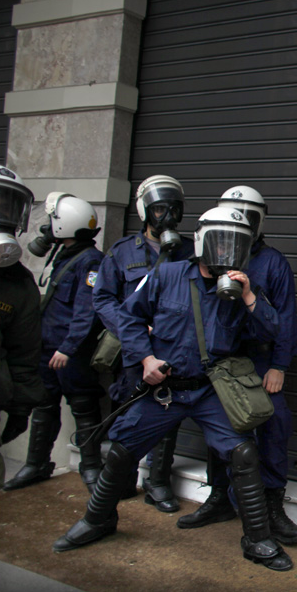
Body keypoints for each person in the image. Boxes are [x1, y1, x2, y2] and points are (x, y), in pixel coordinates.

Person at [53, 207, 293, 571]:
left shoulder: (243, 288)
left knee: (243, 453)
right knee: (121, 450)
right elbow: (129, 318)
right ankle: (97, 519)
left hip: (209, 389)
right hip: (166, 391)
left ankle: (257, 538)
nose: (226, 251)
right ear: (202, 241)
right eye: (220, 241)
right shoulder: (165, 275)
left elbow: (269, 332)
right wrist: (146, 359)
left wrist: (248, 298)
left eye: (236, 244)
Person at [176, 185, 297, 545]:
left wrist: (279, 364)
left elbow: (287, 319)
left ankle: (271, 505)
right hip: (221, 358)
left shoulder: (272, 262)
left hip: (260, 358)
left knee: (274, 423)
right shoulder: (204, 256)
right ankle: (219, 497)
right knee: (220, 428)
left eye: (249, 215)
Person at [92, 175, 194, 512]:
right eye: (160, 209)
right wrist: (132, 328)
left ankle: (158, 481)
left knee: (165, 414)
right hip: (134, 352)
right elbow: (103, 299)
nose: (168, 217)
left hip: (172, 349)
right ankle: (120, 478)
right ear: (145, 212)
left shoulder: (190, 251)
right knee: (127, 411)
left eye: (174, 210)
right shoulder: (122, 252)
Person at [4, 193, 104, 494]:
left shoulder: (90, 260)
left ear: (65, 225)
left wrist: (68, 347)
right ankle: (37, 464)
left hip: (69, 352)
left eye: (52, 221)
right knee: (44, 406)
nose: (47, 227)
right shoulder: (62, 253)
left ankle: (90, 468)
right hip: (47, 348)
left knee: (84, 407)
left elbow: (87, 310)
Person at [0, 165, 45, 570]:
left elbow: (24, 353)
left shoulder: (17, 284)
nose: (1, 219)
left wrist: (21, 406)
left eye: (10, 208)